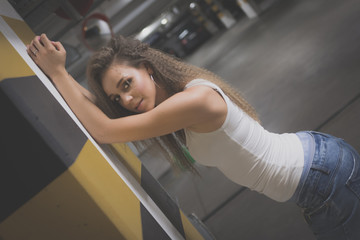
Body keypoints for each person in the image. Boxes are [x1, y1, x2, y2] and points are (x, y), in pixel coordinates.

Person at [27, 34, 360, 239]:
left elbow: (104, 129)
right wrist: (61, 76)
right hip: (317, 164)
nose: (126, 101)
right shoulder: (178, 98)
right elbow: (101, 113)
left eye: (126, 84)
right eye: (118, 98)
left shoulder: (194, 101)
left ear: (147, 68)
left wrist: (57, 71)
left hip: (321, 178)